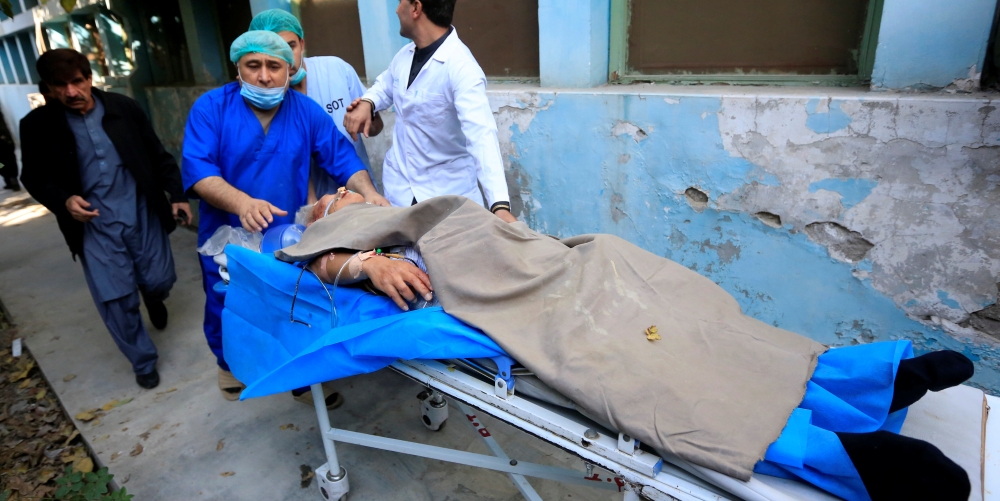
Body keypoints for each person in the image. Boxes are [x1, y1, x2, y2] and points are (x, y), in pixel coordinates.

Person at [283, 192, 974, 501]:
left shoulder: (390, 200)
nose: (339, 194)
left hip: (563, 261)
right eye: (328, 200)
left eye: (344, 188)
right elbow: (314, 263)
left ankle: (865, 378)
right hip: (525, 300)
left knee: (689, 314)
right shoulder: (343, 241)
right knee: (644, 361)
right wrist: (365, 263)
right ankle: (841, 451)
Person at [182, 30, 388, 401]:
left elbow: (341, 157)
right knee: (227, 301)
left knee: (291, 304)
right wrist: (242, 203)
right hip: (227, 232)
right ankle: (229, 364)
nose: (264, 76)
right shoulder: (211, 109)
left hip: (286, 234)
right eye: (253, 66)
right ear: (238, 69)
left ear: (289, 70)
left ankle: (301, 379)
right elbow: (198, 170)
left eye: (274, 66)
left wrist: (369, 192)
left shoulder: (304, 112)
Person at [19, 49, 191, 389]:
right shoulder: (37, 126)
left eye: (77, 82)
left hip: (140, 211)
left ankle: (153, 296)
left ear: (89, 78)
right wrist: (63, 200)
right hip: (92, 225)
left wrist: (178, 195)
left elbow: (158, 154)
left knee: (159, 279)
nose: (71, 92)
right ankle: (143, 362)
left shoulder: (122, 109)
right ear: (48, 89)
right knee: (117, 298)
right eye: (60, 85)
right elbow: (34, 178)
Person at [342, 0, 516, 223]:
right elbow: (385, 85)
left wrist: (499, 205)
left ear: (415, 8)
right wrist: (368, 101)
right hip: (400, 193)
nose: (397, 9)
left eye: (401, 0)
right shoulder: (405, 55)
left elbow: (482, 136)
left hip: (446, 202)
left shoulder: (461, 67)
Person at [247, 9, 384, 201]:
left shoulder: (336, 70)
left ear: (302, 44)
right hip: (305, 213)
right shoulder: (262, 101)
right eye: (274, 51)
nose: (285, 58)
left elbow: (375, 125)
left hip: (358, 200)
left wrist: (369, 121)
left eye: (290, 46)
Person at [0, 108, 18, 191]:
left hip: (4, 142)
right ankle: (13, 178)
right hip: (6, 141)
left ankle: (8, 179)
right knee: (10, 161)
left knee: (1, 164)